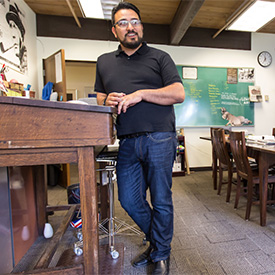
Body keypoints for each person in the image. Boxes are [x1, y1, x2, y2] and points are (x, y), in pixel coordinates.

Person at [95, 2, 185, 274]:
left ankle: (161, 254)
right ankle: (159, 243)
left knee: (160, 199)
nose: (130, 27)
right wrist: (106, 100)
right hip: (127, 142)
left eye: (134, 21)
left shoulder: (160, 57)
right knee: (129, 200)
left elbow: (178, 94)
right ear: (114, 30)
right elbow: (99, 97)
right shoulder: (104, 62)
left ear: (141, 26)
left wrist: (142, 94)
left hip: (160, 137)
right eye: (123, 23)